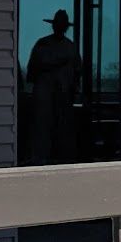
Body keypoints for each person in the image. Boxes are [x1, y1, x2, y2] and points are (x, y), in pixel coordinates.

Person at [26, 9, 82, 164]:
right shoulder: (45, 45)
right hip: (44, 99)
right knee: (43, 129)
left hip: (62, 98)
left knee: (61, 130)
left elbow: (77, 71)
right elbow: (33, 70)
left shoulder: (70, 48)